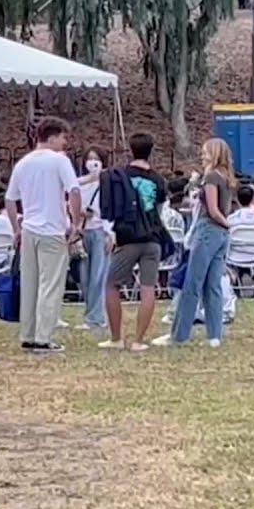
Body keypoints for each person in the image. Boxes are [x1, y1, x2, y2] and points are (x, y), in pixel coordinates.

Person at [4, 116, 83, 354]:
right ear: (52, 136)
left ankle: (28, 334)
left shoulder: (23, 163)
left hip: (29, 229)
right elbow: (74, 191)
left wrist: (16, 229)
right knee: (50, 285)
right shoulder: (59, 161)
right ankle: (43, 337)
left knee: (30, 283)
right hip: (52, 229)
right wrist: (76, 222)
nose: (65, 142)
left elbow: (10, 199)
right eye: (62, 137)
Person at [157, 138, 234, 347]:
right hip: (220, 235)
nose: (202, 155)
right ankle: (215, 335)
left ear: (215, 154)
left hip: (207, 230)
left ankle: (179, 334)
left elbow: (213, 209)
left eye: (206, 152)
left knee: (192, 283)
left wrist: (224, 222)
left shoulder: (210, 177)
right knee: (213, 284)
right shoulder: (226, 177)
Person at [99, 132, 167, 352]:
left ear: (130, 149)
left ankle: (116, 337)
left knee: (112, 284)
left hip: (127, 237)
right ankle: (139, 340)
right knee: (148, 288)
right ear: (151, 150)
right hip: (153, 237)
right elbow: (158, 208)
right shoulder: (158, 179)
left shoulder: (121, 175)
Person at [78, 147, 111, 333]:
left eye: (97, 159)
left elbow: (110, 210)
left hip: (100, 230)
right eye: (89, 159)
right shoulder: (81, 183)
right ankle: (90, 312)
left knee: (99, 276)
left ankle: (96, 317)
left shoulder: (108, 183)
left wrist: (109, 233)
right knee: (85, 276)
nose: (93, 162)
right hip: (85, 230)